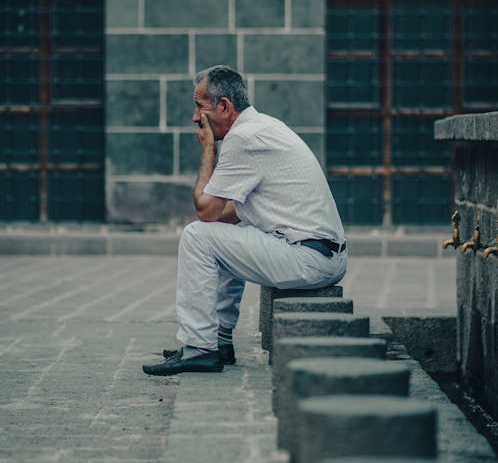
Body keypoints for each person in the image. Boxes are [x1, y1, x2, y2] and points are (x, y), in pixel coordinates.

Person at [142, 66, 347, 376]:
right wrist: (213, 221)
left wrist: (209, 149)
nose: (195, 118)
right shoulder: (263, 127)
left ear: (224, 106)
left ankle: (200, 348)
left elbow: (205, 210)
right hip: (320, 254)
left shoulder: (244, 138)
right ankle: (219, 341)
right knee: (218, 231)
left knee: (197, 236)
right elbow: (228, 214)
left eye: (200, 106)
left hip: (309, 258)